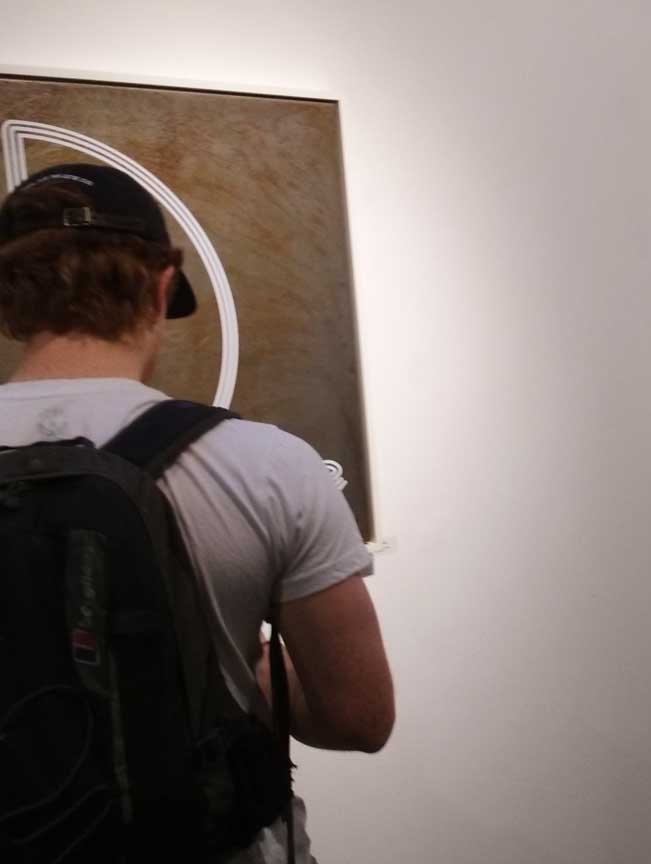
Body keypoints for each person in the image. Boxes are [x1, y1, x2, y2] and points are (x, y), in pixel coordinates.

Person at [0, 164, 395, 863]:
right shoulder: (267, 465)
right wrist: (253, 667)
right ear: (161, 287)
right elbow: (358, 717)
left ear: (10, 299)